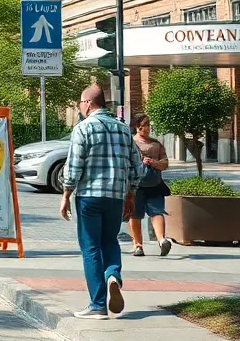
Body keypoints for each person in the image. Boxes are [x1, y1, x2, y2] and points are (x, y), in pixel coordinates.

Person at [61, 85, 144, 320]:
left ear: (87, 103)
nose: (79, 107)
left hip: (89, 196)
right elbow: (136, 166)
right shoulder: (123, 130)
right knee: (110, 241)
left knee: (90, 247)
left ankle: (98, 304)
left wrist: (66, 194)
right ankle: (113, 275)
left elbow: (75, 165)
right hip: (116, 196)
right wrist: (131, 193)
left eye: (80, 102)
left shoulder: (83, 128)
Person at [128, 113, 172, 258]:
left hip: (140, 184)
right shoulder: (136, 143)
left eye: (148, 125)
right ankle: (153, 241)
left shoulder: (135, 143)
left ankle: (147, 243)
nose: (147, 128)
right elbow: (164, 163)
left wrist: (153, 163)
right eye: (144, 125)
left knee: (143, 213)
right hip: (146, 183)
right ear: (137, 126)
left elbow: (165, 164)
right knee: (150, 213)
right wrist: (155, 163)